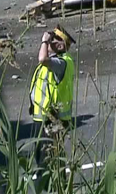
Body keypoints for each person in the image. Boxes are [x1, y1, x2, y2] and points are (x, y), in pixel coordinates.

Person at [29, 25, 76, 172]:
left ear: (61, 45)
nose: (48, 43)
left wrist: (44, 41)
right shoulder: (58, 60)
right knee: (51, 155)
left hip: (52, 117)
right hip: (44, 116)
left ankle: (49, 186)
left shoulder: (60, 63)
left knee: (46, 157)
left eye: (52, 40)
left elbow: (42, 58)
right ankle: (56, 184)